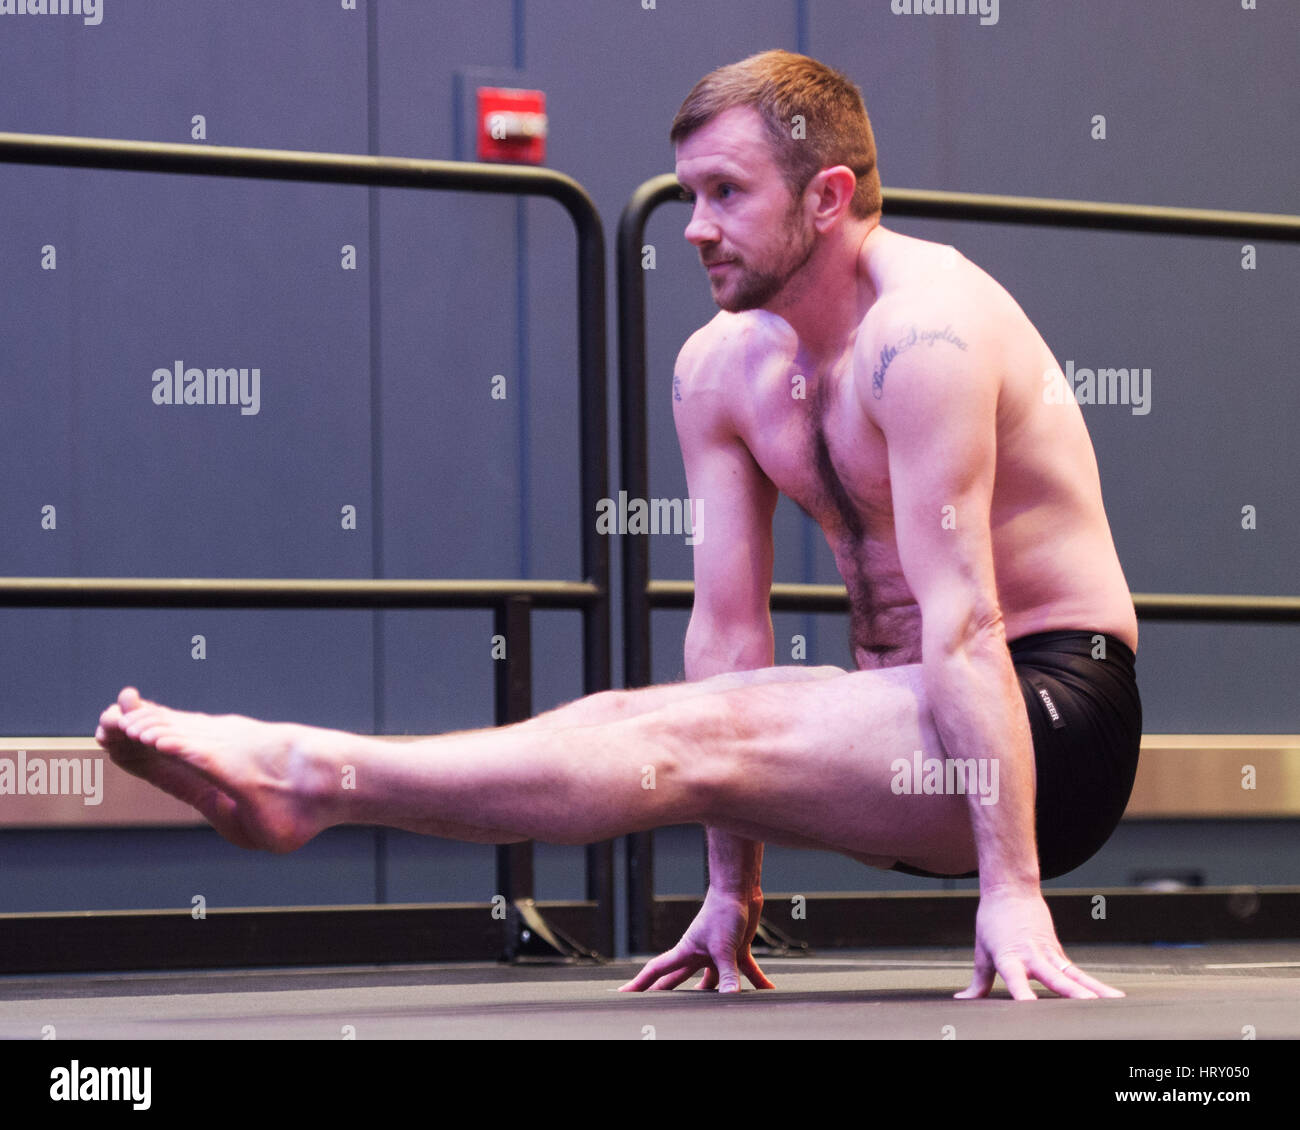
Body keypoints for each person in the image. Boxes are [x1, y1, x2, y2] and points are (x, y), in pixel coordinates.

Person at [95, 49, 1141, 1002]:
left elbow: (963, 625)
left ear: (826, 198)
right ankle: (310, 781)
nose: (692, 225)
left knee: (696, 732)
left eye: (725, 193)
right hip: (902, 734)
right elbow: (727, 642)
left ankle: (310, 775)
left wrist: (1009, 888)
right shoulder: (720, 367)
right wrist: (733, 894)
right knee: (627, 716)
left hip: (1052, 729)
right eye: (688, 193)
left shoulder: (925, 331)